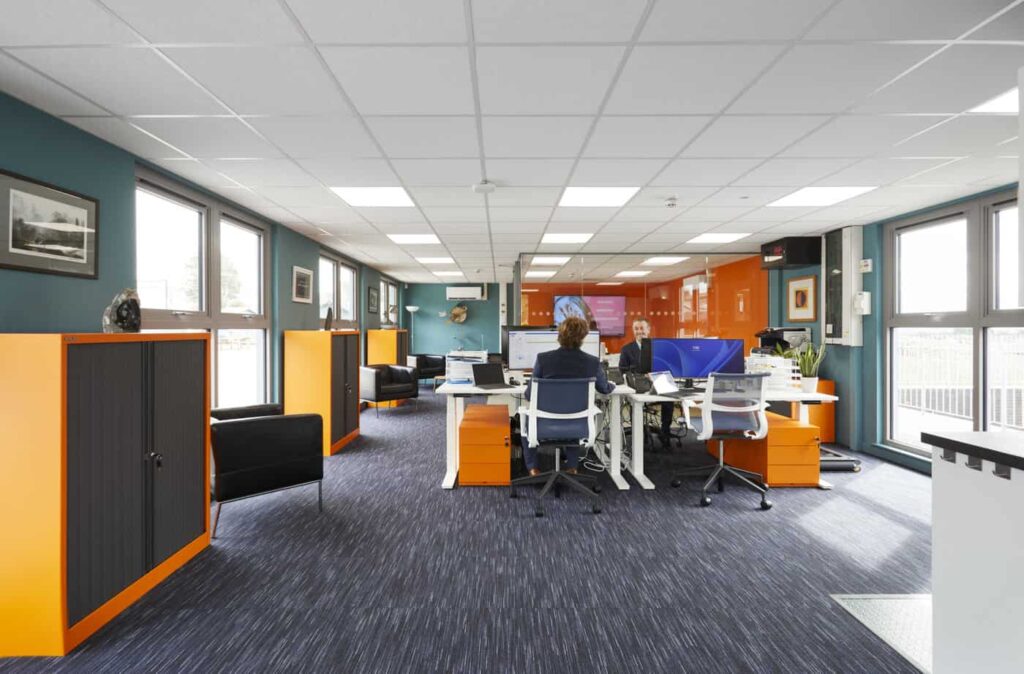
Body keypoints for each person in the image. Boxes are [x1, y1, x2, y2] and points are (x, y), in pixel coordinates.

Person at [522, 316, 614, 477]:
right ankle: (572, 467)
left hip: (543, 425)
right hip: (577, 427)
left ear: (559, 336)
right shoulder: (592, 362)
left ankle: (533, 469)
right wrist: (613, 384)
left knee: (522, 420)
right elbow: (605, 389)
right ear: (583, 337)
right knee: (574, 413)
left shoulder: (543, 359)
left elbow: (529, 395)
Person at [617, 317, 675, 448]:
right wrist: (641, 375)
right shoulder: (627, 349)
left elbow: (667, 366)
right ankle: (639, 433)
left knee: (670, 398)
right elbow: (622, 370)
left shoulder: (659, 347)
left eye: (642, 328)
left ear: (648, 330)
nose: (639, 331)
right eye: (636, 329)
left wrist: (656, 375)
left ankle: (665, 432)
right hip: (638, 383)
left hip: (658, 380)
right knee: (635, 401)